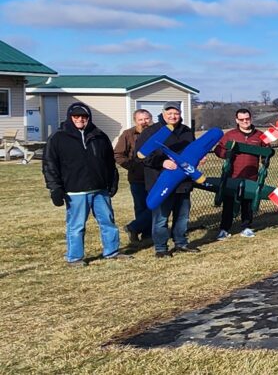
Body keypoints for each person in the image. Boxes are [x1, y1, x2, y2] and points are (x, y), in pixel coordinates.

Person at [43, 102, 127, 266]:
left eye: (84, 116)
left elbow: (109, 162)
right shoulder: (58, 138)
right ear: (70, 117)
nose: (80, 119)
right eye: (76, 116)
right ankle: (75, 257)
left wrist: (112, 181)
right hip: (75, 191)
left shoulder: (99, 136)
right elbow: (49, 165)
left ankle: (112, 251)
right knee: (76, 225)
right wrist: (55, 188)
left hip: (100, 189)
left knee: (108, 222)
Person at [137, 102, 203, 258]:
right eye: (169, 113)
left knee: (182, 216)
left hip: (183, 181)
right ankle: (161, 248)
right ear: (163, 113)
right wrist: (162, 162)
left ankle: (181, 243)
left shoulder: (186, 131)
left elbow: (193, 151)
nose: (173, 116)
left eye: (176, 113)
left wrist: (200, 158)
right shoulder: (152, 132)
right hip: (161, 181)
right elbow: (141, 156)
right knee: (161, 217)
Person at [213, 108, 268, 240]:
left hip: (251, 175)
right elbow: (218, 149)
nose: (245, 121)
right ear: (237, 120)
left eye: (247, 119)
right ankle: (224, 229)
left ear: (251, 118)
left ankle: (246, 227)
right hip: (233, 176)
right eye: (242, 119)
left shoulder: (259, 135)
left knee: (247, 203)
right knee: (229, 203)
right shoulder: (231, 135)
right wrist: (226, 154)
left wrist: (265, 158)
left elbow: (267, 150)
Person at [113, 109, 152, 244]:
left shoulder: (157, 133)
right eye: (140, 120)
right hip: (138, 178)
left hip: (155, 177)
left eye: (146, 119)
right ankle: (140, 234)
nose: (144, 122)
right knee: (141, 206)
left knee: (154, 206)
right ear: (135, 121)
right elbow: (118, 154)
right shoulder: (128, 134)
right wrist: (132, 166)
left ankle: (137, 229)